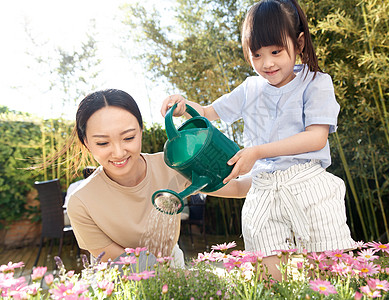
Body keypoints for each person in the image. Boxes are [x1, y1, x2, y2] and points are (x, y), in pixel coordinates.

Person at [161, 0, 355, 279]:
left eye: (276, 51)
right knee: (268, 278)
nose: (267, 63)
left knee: (329, 273)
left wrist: (257, 152)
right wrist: (183, 105)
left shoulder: (315, 82)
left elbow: (315, 138)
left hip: (308, 184)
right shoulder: (249, 89)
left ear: (299, 43)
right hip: (262, 189)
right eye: (257, 55)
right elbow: (206, 112)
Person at [63, 89, 250, 267]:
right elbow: (122, 262)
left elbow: (239, 188)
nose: (119, 152)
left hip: (171, 266)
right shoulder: (81, 202)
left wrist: (269, 162)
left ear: (141, 130)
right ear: (86, 142)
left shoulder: (172, 166)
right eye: (103, 143)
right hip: (118, 278)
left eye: (128, 138)